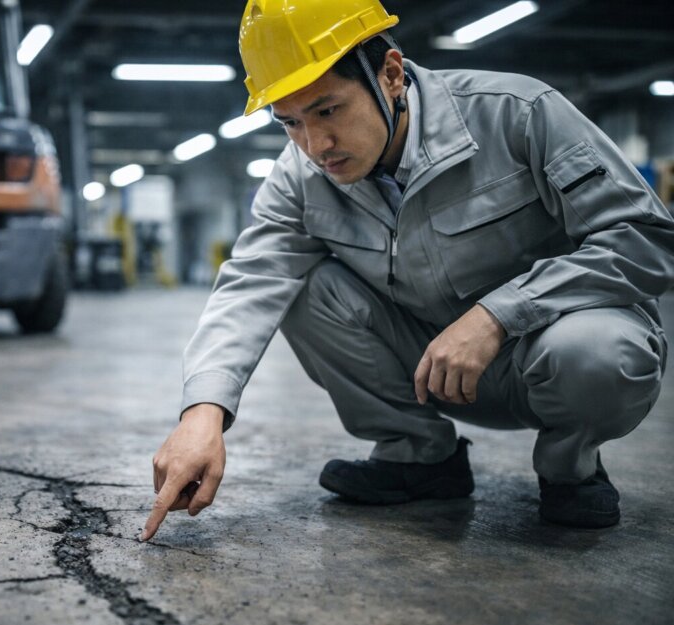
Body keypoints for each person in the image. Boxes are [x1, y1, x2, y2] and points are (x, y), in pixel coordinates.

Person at [140, 0, 674, 541]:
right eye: (290, 122)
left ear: (391, 75)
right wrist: (202, 412)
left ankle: (570, 469)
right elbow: (251, 282)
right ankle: (420, 457)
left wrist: (497, 314)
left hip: (550, 358)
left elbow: (647, 237)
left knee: (598, 351)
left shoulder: (517, 114)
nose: (315, 145)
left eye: (328, 111)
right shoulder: (300, 175)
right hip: (434, 373)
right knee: (302, 287)